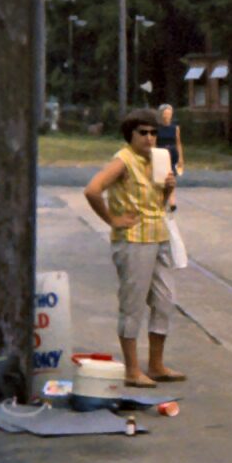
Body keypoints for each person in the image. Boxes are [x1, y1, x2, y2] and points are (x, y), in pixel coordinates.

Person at [83, 106, 184, 388]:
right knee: (133, 304)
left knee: (165, 300)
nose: (150, 138)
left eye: (154, 133)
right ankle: (132, 369)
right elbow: (92, 190)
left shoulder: (158, 159)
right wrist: (112, 219)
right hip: (133, 239)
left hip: (159, 234)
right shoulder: (123, 161)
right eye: (143, 133)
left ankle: (156, 363)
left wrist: (167, 188)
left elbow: (159, 202)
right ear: (131, 134)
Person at [155, 103, 184, 209]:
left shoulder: (175, 128)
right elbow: (154, 143)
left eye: (170, 113)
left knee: (172, 177)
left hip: (172, 154)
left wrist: (181, 158)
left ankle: (172, 201)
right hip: (161, 154)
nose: (168, 116)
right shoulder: (157, 128)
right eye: (166, 113)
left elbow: (178, 143)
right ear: (162, 114)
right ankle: (162, 198)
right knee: (162, 178)